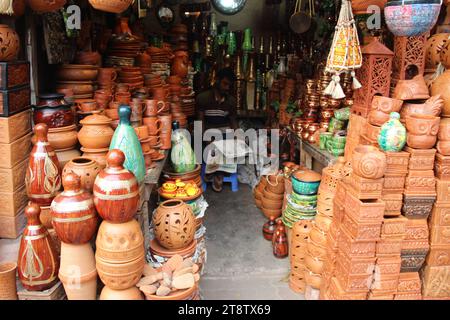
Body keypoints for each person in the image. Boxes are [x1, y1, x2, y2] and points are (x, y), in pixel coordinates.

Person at [196, 67, 238, 192]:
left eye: (229, 85)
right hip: (209, 131)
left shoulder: (230, 101)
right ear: (217, 81)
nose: (227, 88)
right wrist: (204, 138)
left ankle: (216, 172)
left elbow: (233, 121)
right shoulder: (203, 98)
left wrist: (238, 137)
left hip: (224, 133)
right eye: (225, 84)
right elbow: (200, 122)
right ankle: (216, 172)